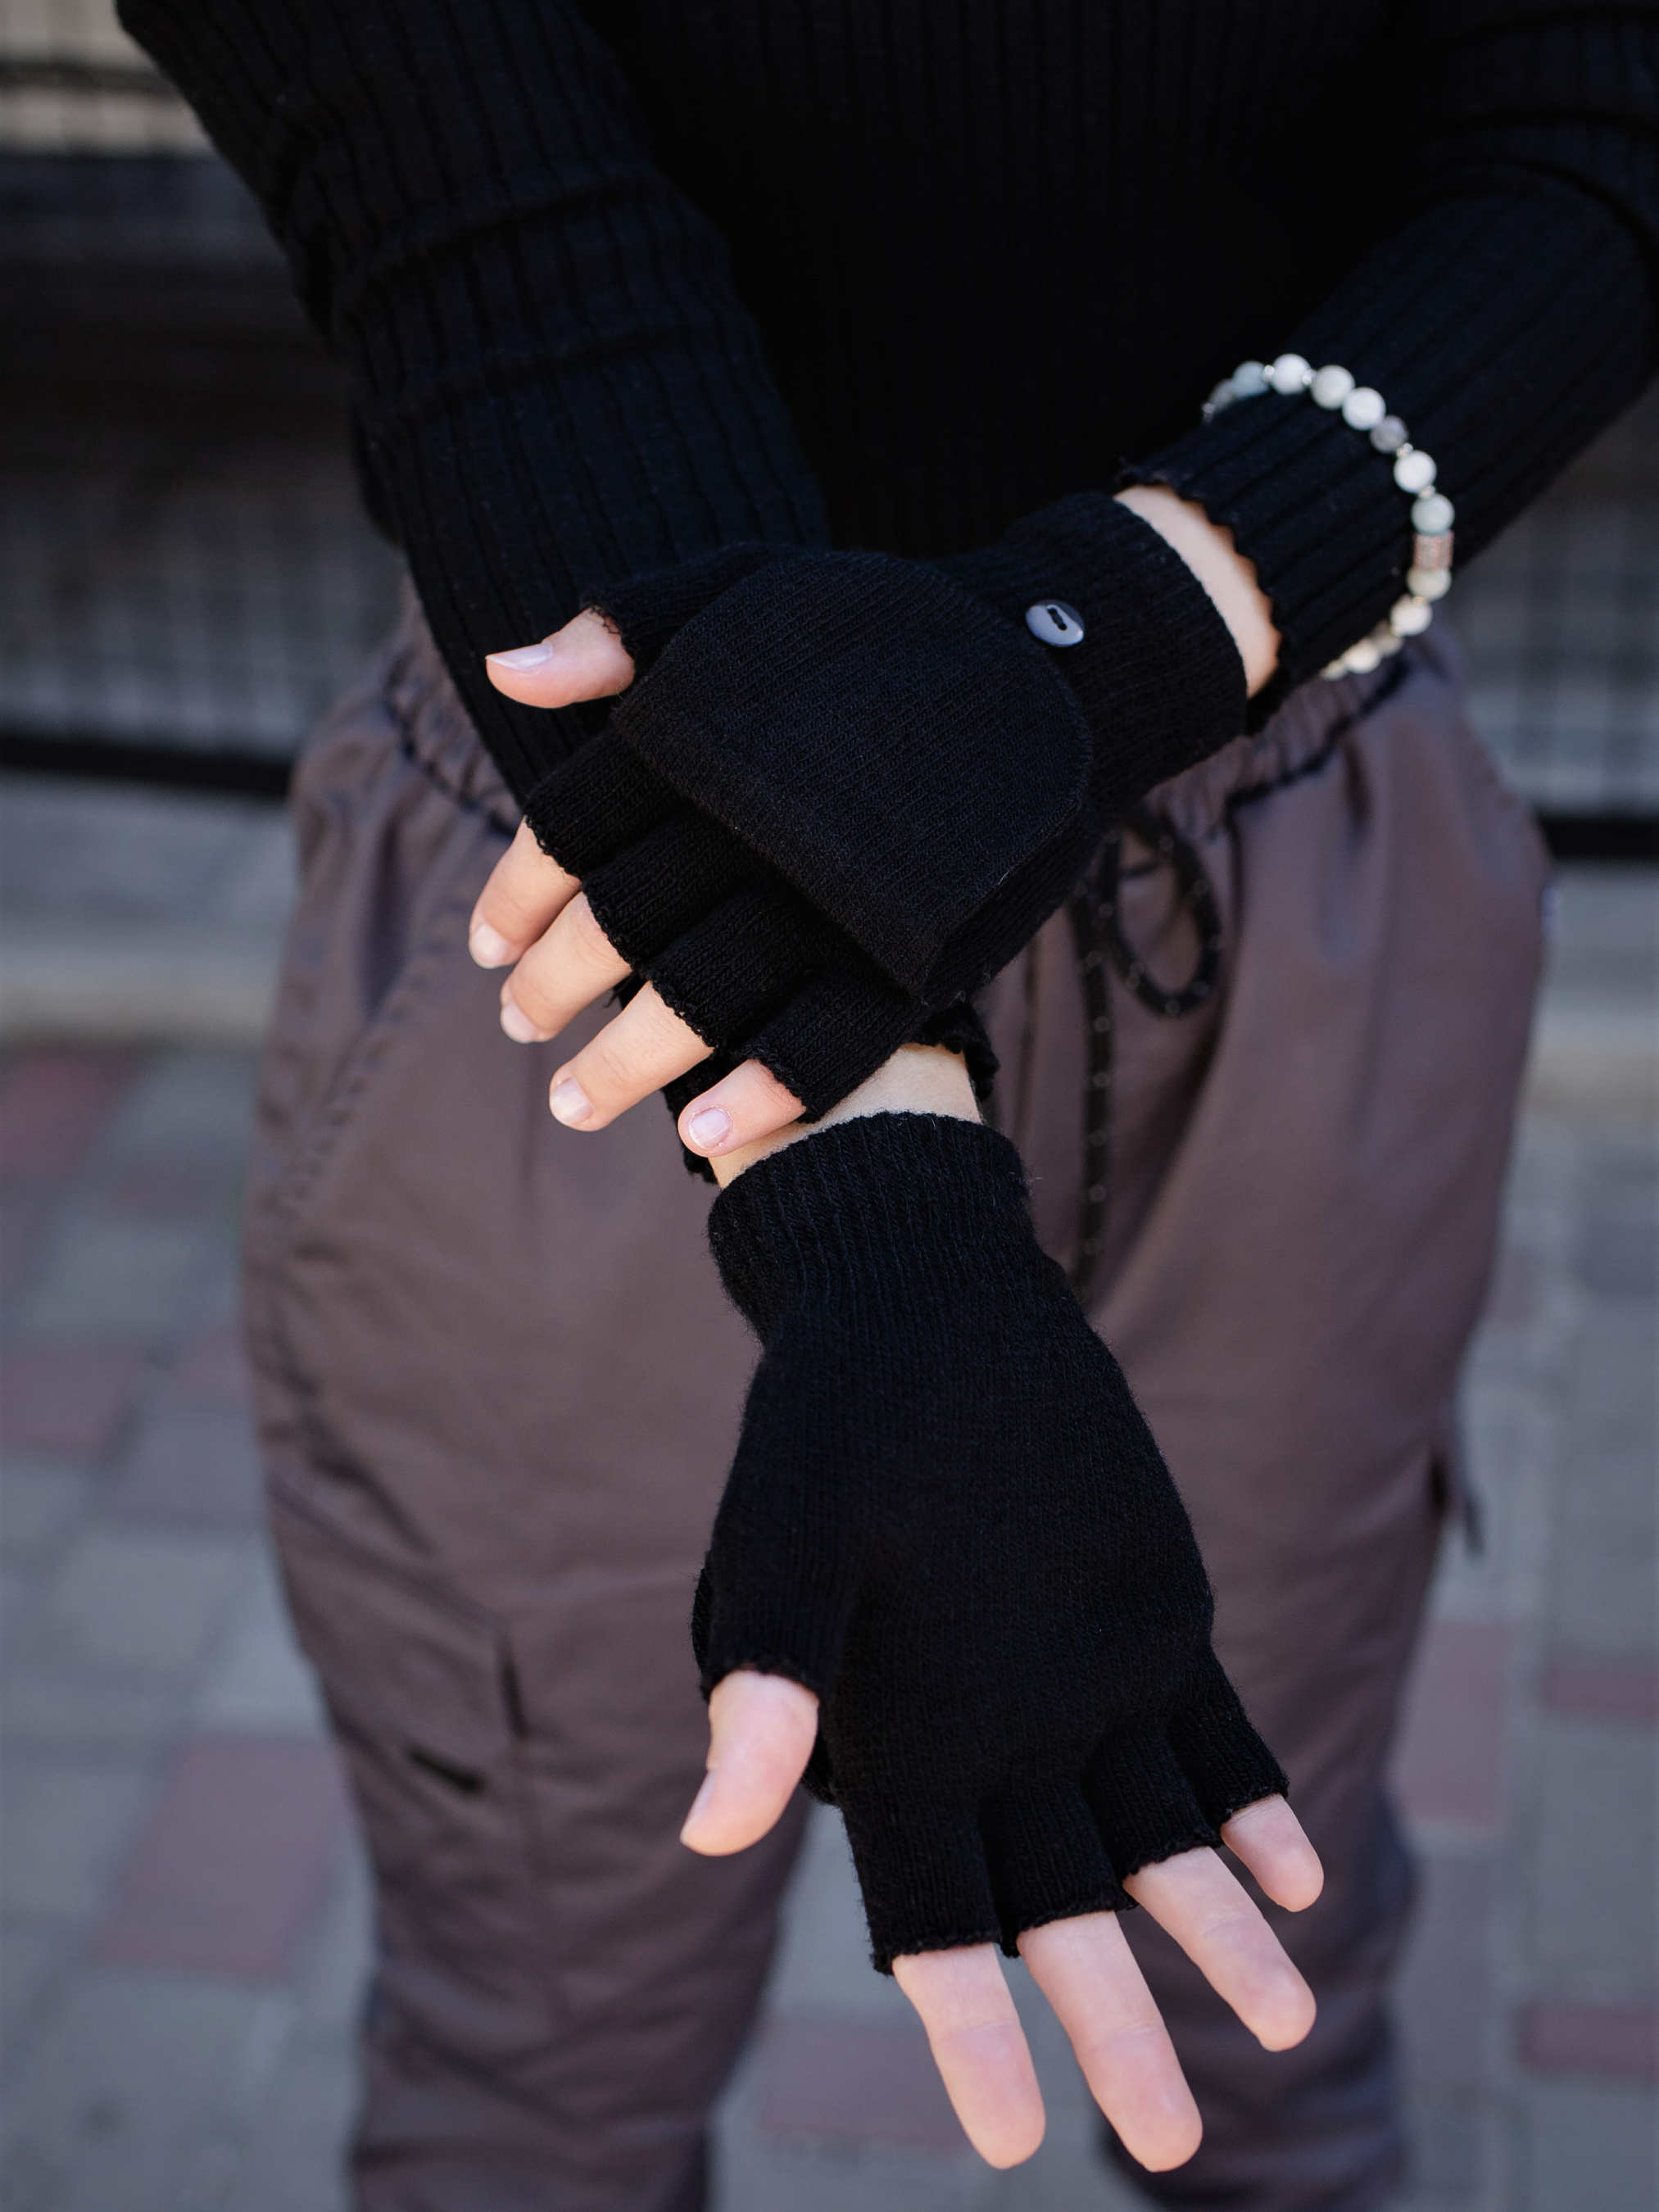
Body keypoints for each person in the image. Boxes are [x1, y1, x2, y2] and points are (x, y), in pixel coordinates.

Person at [120, 2, 1658, 2207]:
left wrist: (1115, 624)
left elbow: (1591, 117)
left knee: (1265, 1960)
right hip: (595, 920)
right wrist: (874, 1185)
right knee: (540, 2065)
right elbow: (472, 202)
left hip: (1285, 862)